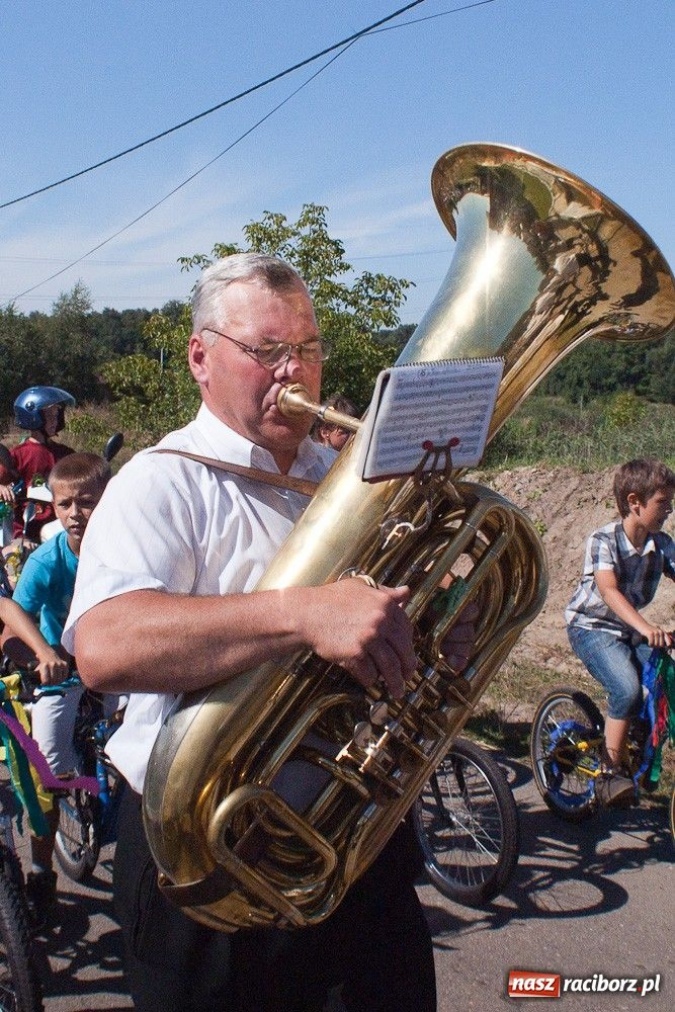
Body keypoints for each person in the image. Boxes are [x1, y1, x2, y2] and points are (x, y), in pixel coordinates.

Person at [63, 253, 476, 1012]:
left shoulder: (355, 476)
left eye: (308, 350)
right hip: (205, 859)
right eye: (266, 351)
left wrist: (449, 624)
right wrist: (301, 614)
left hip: (356, 845)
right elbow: (105, 647)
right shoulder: (161, 481)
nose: (294, 373)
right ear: (201, 357)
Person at [7, 451, 111, 927]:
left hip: (115, 664)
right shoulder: (45, 563)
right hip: (63, 671)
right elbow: (11, 625)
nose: (74, 513)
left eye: (87, 502)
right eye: (65, 503)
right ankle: (41, 868)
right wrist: (39, 658)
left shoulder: (123, 547)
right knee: (47, 772)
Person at [565, 458, 675, 804]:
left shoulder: (663, 545)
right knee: (626, 688)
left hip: (629, 629)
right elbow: (609, 591)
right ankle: (609, 772)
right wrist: (646, 627)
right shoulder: (603, 540)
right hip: (592, 627)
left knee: (662, 682)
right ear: (634, 501)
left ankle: (638, 747)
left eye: (671, 504)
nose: (669, 510)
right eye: (663, 503)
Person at [0, 386, 76, 543]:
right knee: (18, 561)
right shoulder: (19, 454)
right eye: (49, 416)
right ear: (33, 417)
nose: (55, 421)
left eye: (57, 415)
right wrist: (2, 488)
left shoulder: (66, 453)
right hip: (27, 530)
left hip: (63, 525)